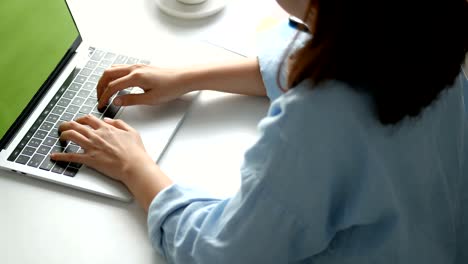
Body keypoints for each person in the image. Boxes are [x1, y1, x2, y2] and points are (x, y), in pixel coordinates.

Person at [51, 0, 468, 263]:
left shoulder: (317, 121)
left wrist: (134, 165)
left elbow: (222, 253)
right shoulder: (419, 31)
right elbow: (318, 61)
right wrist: (190, 76)